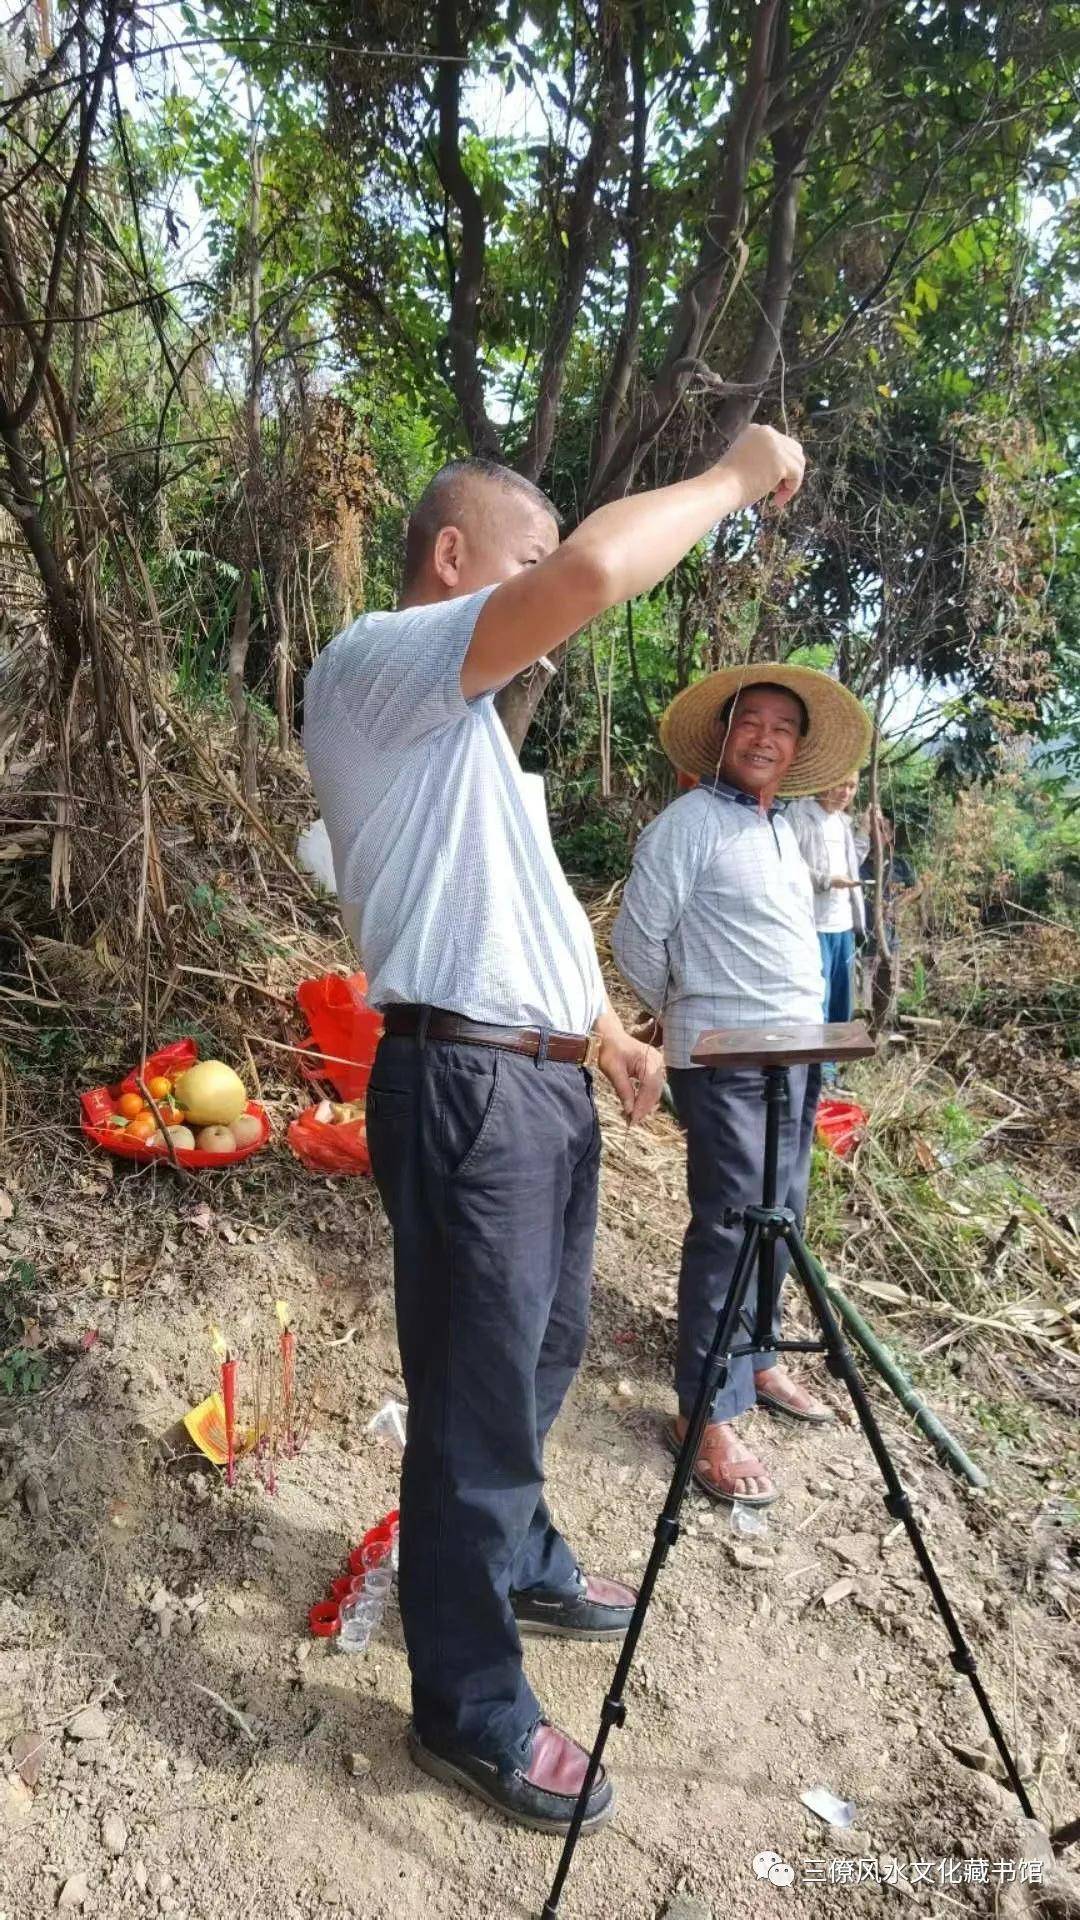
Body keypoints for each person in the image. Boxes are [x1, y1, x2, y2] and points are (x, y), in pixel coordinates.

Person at [302, 425, 806, 1833]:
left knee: (547, 1346)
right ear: (454, 560)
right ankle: (468, 1704)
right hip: (465, 1090)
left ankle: (514, 1552)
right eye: (514, 566)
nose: (542, 601)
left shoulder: (461, 737)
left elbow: (510, 916)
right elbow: (591, 567)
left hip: (534, 1081)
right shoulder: (377, 663)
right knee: (472, 1403)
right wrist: (733, 473)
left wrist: (602, 1035)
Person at [612, 668, 871, 1508]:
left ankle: (755, 1359)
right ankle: (704, 1409)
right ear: (721, 739)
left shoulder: (782, 827)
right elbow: (637, 942)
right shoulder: (687, 825)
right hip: (723, 1061)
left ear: (796, 750)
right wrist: (689, 1018)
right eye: (749, 722)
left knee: (781, 1213)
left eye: (782, 728)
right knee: (727, 1225)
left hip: (796, 1056)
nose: (765, 737)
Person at [786, 777, 865, 1074]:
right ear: (824, 780)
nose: (846, 792)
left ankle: (829, 1070)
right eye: (841, 784)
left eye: (853, 786)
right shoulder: (799, 814)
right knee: (817, 998)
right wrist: (826, 880)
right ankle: (812, 1070)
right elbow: (788, 863)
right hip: (813, 924)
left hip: (842, 924)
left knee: (841, 1004)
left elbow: (851, 863)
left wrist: (866, 835)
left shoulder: (843, 822)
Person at [855, 806, 920, 1009]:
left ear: (890, 834)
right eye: (873, 828)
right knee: (864, 1001)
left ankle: (885, 1033)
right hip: (862, 944)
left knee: (887, 996)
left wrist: (896, 905)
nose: (878, 833)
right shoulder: (857, 863)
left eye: (883, 829)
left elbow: (917, 887)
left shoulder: (899, 865)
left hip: (890, 943)